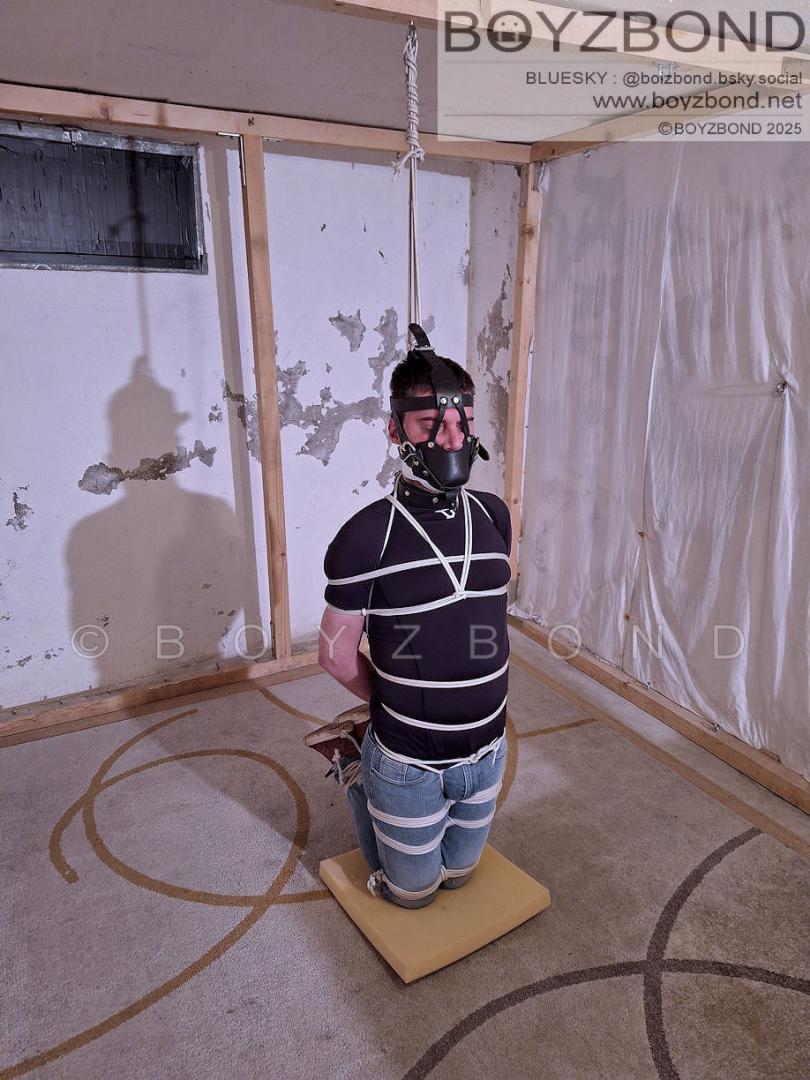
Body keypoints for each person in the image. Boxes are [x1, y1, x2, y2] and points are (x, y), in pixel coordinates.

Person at [306, 324, 511, 909]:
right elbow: (334, 655)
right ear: (396, 430)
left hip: (490, 747)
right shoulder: (366, 535)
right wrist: (392, 704)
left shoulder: (494, 516)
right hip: (408, 760)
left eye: (462, 423)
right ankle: (359, 765)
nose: (452, 439)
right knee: (411, 895)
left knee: (460, 877)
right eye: (431, 424)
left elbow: (485, 619)